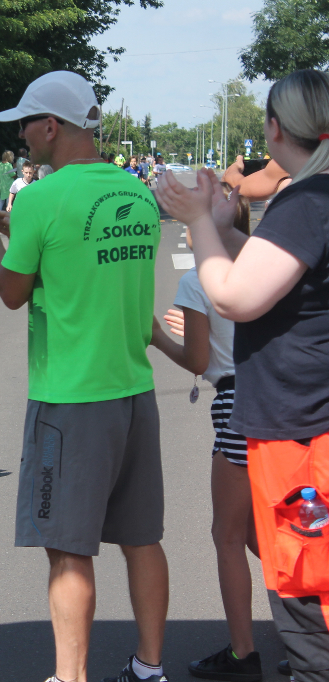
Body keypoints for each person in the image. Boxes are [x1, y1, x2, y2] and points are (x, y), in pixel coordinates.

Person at [0, 71, 169, 682]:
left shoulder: (41, 199)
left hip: (70, 399)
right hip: (134, 390)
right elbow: (81, 247)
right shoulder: (134, 194)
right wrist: (13, 224)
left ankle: (69, 677)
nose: (22, 136)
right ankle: (149, 667)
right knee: (141, 539)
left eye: (26, 123)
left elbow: (12, 291)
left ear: (51, 127)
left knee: (69, 550)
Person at [155, 67, 329, 682]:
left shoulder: (306, 203)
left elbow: (230, 297)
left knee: (287, 578)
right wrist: (226, 223)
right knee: (301, 569)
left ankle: (253, 656)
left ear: (277, 129)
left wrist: (200, 219)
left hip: (291, 422)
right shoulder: (309, 202)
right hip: (301, 417)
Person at [150, 186, 265, 681]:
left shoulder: (197, 282)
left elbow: (198, 361)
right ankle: (311, 631)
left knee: (227, 534)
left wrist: (158, 336)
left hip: (237, 407)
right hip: (280, 400)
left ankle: (243, 652)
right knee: (272, 529)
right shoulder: (266, 271)